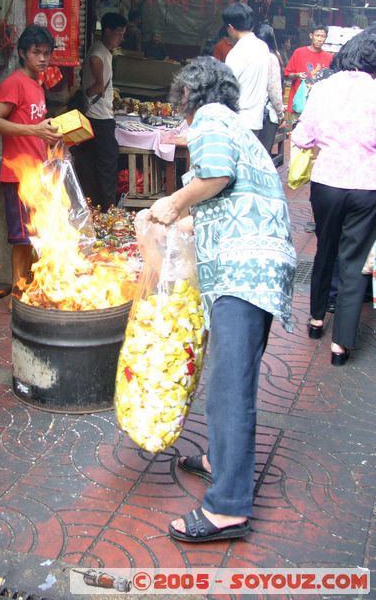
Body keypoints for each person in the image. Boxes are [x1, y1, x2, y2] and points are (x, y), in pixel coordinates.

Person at [148, 57, 295, 544]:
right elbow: (221, 201)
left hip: (245, 270)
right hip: (256, 265)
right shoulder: (235, 124)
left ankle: (228, 508)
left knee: (230, 386)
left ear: (188, 95)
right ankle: (218, 459)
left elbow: (215, 179)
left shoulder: (210, 119)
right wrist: (176, 226)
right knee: (229, 377)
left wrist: (170, 205)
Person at [291, 24, 376, 366]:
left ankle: (315, 321)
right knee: (354, 261)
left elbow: (301, 138)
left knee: (325, 249)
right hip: (367, 187)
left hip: (326, 185)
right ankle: (340, 346)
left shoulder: (322, 88)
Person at [0, 24, 62, 290]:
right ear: (22, 53)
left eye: (46, 53)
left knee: (36, 233)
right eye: (36, 52)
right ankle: (17, 294)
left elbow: (34, 127)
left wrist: (50, 135)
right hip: (18, 176)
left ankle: (29, 287)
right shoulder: (14, 83)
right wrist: (35, 129)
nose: (42, 58)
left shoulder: (37, 86)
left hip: (37, 173)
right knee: (21, 238)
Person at [74, 12, 127, 211]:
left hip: (97, 115)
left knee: (91, 162)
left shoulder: (104, 50)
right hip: (100, 117)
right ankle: (107, 207)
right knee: (107, 164)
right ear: (107, 31)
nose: (121, 38)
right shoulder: (98, 51)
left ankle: (94, 205)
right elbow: (97, 73)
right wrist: (95, 87)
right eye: (119, 34)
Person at [222, 2, 270, 135]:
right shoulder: (262, 47)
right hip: (256, 121)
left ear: (231, 28)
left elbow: (227, 89)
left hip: (237, 121)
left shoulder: (236, 52)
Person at [284, 24, 332, 115]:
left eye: (323, 36)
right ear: (311, 36)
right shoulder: (299, 52)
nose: (320, 39)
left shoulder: (329, 58)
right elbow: (287, 75)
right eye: (317, 35)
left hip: (317, 108)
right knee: (291, 128)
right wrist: (296, 75)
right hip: (296, 106)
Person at [254, 22, 284, 154]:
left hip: (247, 112)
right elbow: (274, 89)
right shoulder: (271, 57)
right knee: (262, 155)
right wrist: (280, 114)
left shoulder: (243, 54)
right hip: (266, 113)